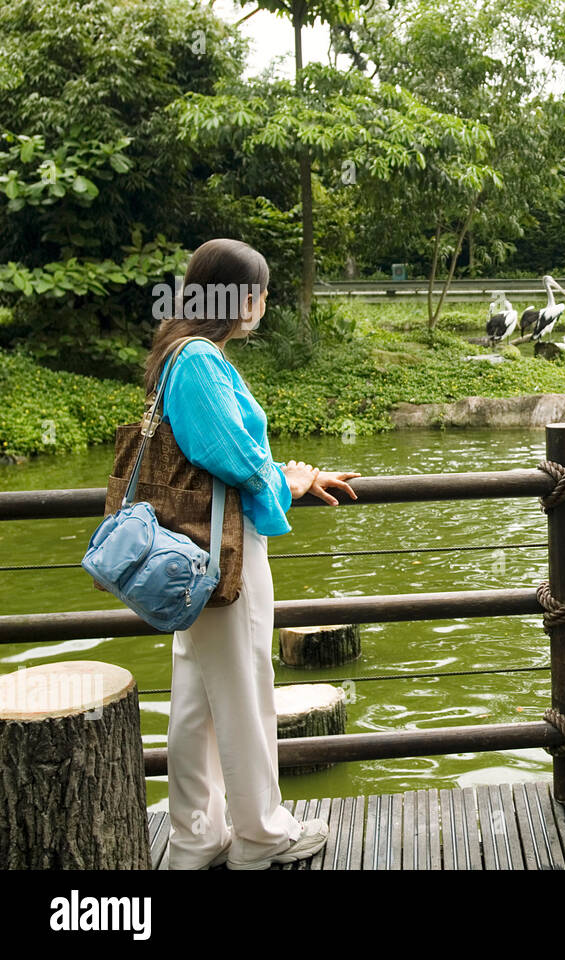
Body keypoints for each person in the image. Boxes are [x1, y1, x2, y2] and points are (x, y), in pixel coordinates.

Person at [143, 238, 361, 869]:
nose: (265, 303)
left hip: (191, 551)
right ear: (237, 296)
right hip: (223, 552)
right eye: (261, 291)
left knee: (197, 698)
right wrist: (287, 481)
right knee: (242, 688)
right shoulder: (202, 361)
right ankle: (261, 837)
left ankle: (196, 836)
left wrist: (274, 472)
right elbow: (233, 457)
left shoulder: (175, 353)